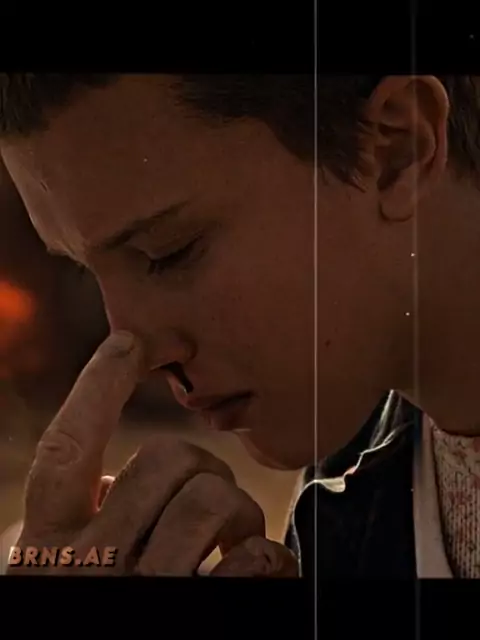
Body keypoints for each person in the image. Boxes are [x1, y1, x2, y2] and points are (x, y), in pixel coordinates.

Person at [0, 73, 479, 578]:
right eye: (86, 273)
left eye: (168, 252)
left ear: (395, 152)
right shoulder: (352, 501)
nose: (139, 351)